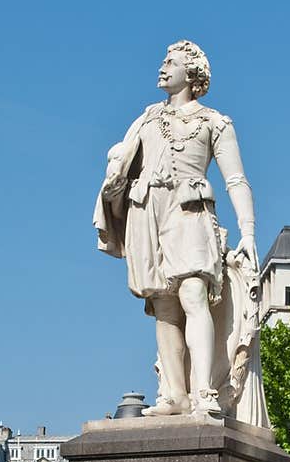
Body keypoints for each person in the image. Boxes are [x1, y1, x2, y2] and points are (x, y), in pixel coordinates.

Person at [95, 40, 257, 419]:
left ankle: (203, 390)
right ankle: (174, 394)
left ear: (193, 73)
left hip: (190, 210)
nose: (163, 67)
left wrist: (248, 231)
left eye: (172, 62)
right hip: (148, 211)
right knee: (163, 304)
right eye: (164, 61)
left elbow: (236, 179)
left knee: (193, 292)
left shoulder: (215, 122)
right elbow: (121, 164)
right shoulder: (147, 118)